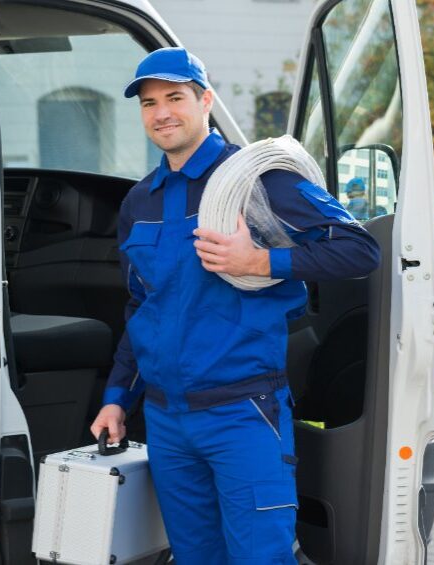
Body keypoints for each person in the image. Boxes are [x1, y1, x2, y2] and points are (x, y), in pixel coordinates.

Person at [90, 47, 380, 565]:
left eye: (175, 97)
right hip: (166, 419)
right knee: (193, 556)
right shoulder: (140, 201)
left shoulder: (260, 181)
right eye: (149, 102)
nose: (161, 113)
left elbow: (360, 249)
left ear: (205, 101)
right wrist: (117, 396)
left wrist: (262, 261)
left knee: (260, 557)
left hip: (242, 413)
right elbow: (143, 308)